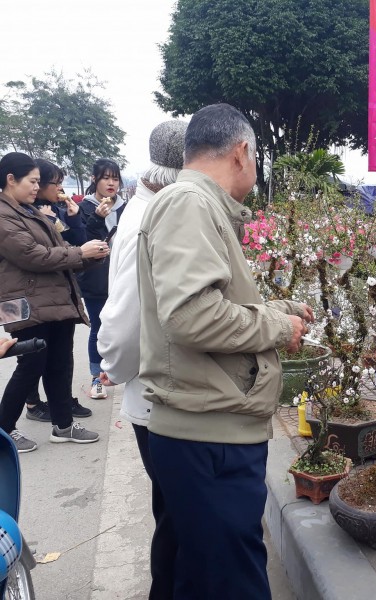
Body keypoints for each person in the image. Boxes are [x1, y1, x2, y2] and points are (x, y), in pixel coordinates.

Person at [137, 103, 312, 599]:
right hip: (209, 436)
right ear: (242, 153)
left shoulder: (196, 205)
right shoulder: (189, 204)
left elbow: (213, 301)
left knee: (205, 574)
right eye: (255, 158)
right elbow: (191, 315)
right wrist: (278, 326)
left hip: (209, 430)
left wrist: (280, 308)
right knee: (232, 581)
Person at [97, 119, 188, 599]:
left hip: (152, 391)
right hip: (154, 393)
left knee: (169, 510)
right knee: (175, 516)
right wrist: (118, 366)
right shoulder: (151, 219)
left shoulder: (146, 206)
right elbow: (123, 320)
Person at [0, 152, 104, 452]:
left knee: (60, 364)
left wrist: (90, 255)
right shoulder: (5, 216)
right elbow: (32, 255)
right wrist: (79, 254)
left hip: (53, 301)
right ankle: (4, 429)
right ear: (11, 179)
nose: (37, 187)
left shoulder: (29, 211)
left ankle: (63, 425)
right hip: (23, 304)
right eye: (33, 181)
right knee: (30, 365)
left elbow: (60, 251)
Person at [23, 159, 92, 422]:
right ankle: (32, 404)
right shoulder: (23, 213)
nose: (60, 188)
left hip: (60, 292)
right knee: (32, 356)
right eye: (56, 182)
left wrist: (74, 219)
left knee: (61, 355)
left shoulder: (57, 210)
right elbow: (40, 254)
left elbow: (77, 243)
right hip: (31, 296)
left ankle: (62, 403)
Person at [77, 158, 126, 400]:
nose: (111, 183)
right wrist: (97, 218)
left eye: (115, 178)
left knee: (123, 325)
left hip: (122, 276)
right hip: (96, 279)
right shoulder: (84, 208)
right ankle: (96, 377)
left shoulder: (126, 208)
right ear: (94, 179)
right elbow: (84, 243)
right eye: (106, 178)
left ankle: (118, 371)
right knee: (98, 327)